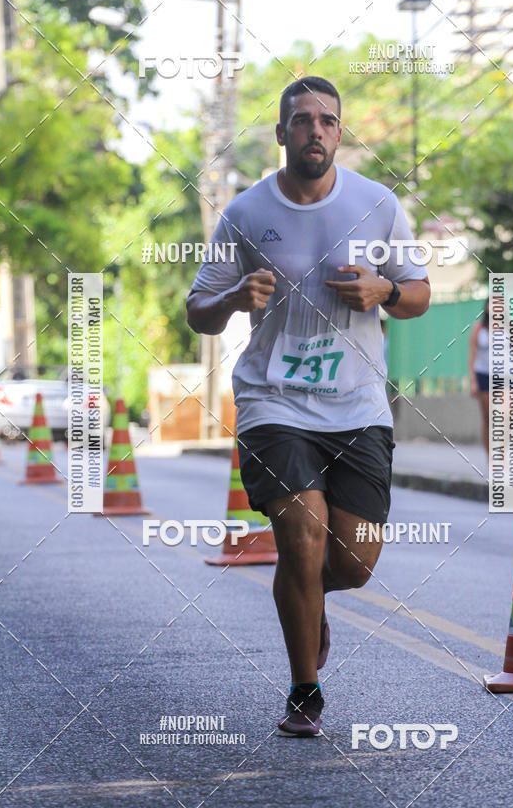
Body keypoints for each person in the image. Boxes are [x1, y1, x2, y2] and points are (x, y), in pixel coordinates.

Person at [186, 76, 431, 737]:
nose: (315, 130)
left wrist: (384, 289)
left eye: (327, 120)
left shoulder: (377, 205)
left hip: (356, 404)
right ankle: (304, 689)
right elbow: (198, 312)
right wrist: (236, 296)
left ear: (340, 134)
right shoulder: (243, 212)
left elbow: (420, 292)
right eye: (302, 120)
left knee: (351, 562)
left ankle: (311, 600)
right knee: (300, 534)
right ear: (281, 133)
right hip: (274, 399)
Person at [468, 299, 490, 460]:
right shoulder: (479, 328)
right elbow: (472, 355)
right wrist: (473, 381)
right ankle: (491, 457)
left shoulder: (510, 329)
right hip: (484, 375)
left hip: (505, 376)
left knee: (507, 416)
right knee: (488, 417)